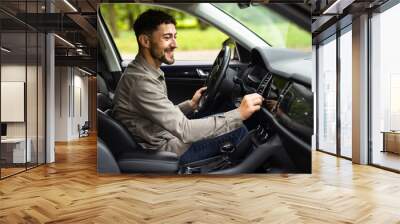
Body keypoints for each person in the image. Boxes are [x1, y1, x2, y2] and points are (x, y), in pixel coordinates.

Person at [112, 9, 263, 164]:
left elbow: (160, 115)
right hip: (166, 152)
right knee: (238, 130)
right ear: (145, 41)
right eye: (167, 37)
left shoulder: (146, 71)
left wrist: (190, 105)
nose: (175, 44)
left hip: (168, 136)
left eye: (175, 37)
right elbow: (186, 131)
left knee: (225, 115)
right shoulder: (141, 82)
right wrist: (239, 114)